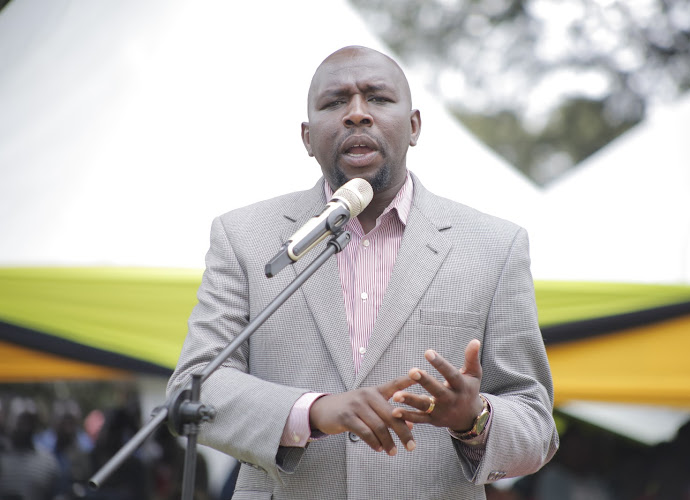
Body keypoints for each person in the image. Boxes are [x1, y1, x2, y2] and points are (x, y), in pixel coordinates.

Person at [168, 45, 558, 500]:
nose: (356, 114)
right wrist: (313, 411)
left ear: (413, 126)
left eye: (377, 98)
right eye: (335, 102)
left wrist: (475, 420)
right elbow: (196, 388)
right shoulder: (243, 237)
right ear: (307, 137)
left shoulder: (494, 246)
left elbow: (536, 425)